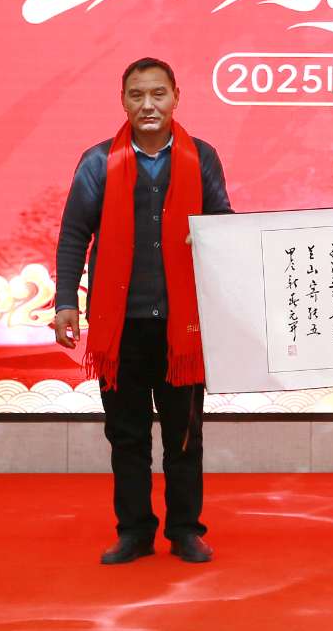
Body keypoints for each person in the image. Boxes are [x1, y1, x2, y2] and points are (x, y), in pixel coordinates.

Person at [53, 57, 232, 565]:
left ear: (176, 97)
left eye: (158, 93)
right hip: (121, 327)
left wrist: (222, 243)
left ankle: (185, 531)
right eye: (137, 95)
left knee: (183, 437)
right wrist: (65, 302)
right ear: (123, 101)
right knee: (126, 436)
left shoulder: (202, 158)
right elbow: (74, 234)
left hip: (182, 325)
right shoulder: (98, 162)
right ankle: (134, 532)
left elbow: (223, 225)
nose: (148, 104)